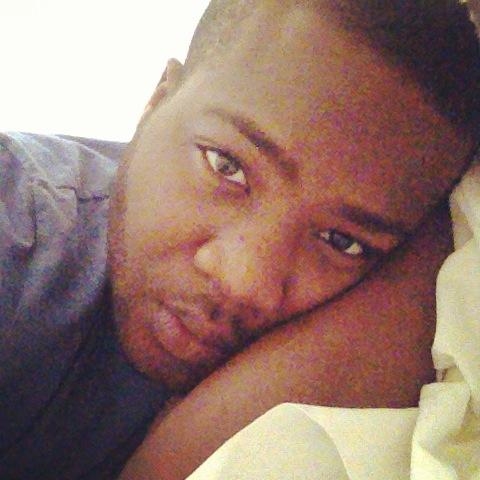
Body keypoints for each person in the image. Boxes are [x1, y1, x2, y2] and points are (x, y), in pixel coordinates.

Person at [0, 1, 479, 479]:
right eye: (226, 166)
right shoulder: (21, 232)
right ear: (156, 101)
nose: (246, 282)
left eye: (340, 241)